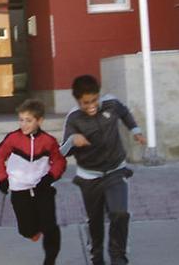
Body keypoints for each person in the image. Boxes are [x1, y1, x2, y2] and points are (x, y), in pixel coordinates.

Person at [60, 75, 146, 265]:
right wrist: (73, 140)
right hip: (89, 177)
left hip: (115, 170)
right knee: (95, 220)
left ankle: (118, 256)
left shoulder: (111, 104)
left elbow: (125, 113)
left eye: (94, 100)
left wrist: (135, 130)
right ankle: (96, 254)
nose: (91, 106)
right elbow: (61, 152)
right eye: (85, 102)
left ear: (99, 95)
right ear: (77, 100)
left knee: (120, 213)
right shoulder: (74, 118)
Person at [0, 99, 66, 265]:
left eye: (28, 120)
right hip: (20, 190)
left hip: (43, 189)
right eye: (21, 120)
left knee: (50, 227)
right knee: (27, 230)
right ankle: (33, 230)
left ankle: (50, 260)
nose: (24, 124)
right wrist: (2, 179)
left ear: (39, 121)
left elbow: (59, 162)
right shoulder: (12, 139)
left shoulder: (49, 141)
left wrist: (49, 178)